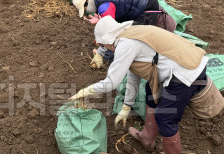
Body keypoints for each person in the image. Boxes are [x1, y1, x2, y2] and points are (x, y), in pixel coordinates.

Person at [70, 16, 211, 154]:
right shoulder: (129, 34)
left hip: (186, 70)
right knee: (150, 89)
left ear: (107, 39)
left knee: (166, 117)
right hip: (181, 64)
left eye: (102, 45)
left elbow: (112, 82)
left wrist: (87, 90)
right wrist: (126, 106)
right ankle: (147, 137)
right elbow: (134, 74)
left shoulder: (126, 44)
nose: (104, 48)